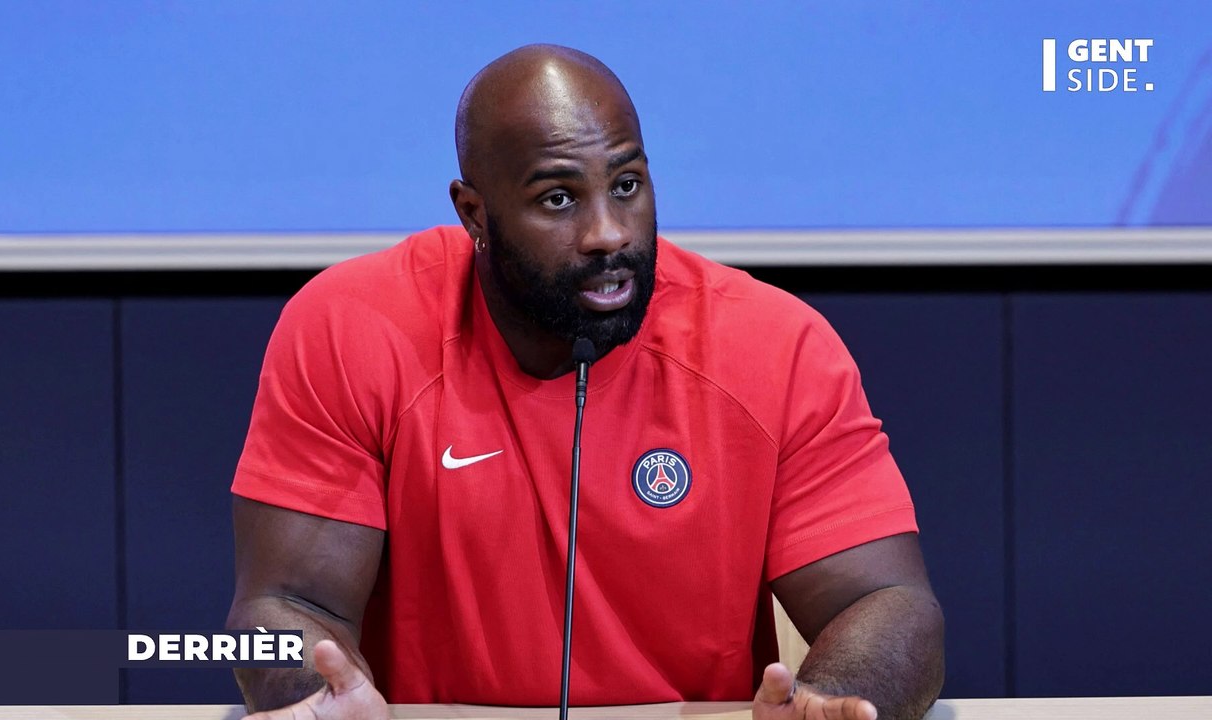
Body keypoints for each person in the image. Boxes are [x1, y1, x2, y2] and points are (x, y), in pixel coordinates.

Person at [227, 44, 945, 720]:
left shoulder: (775, 345)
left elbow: (886, 599)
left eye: (626, 185)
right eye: (559, 200)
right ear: (474, 214)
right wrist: (310, 693)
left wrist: (836, 695)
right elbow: (285, 604)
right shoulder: (352, 327)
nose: (609, 232)